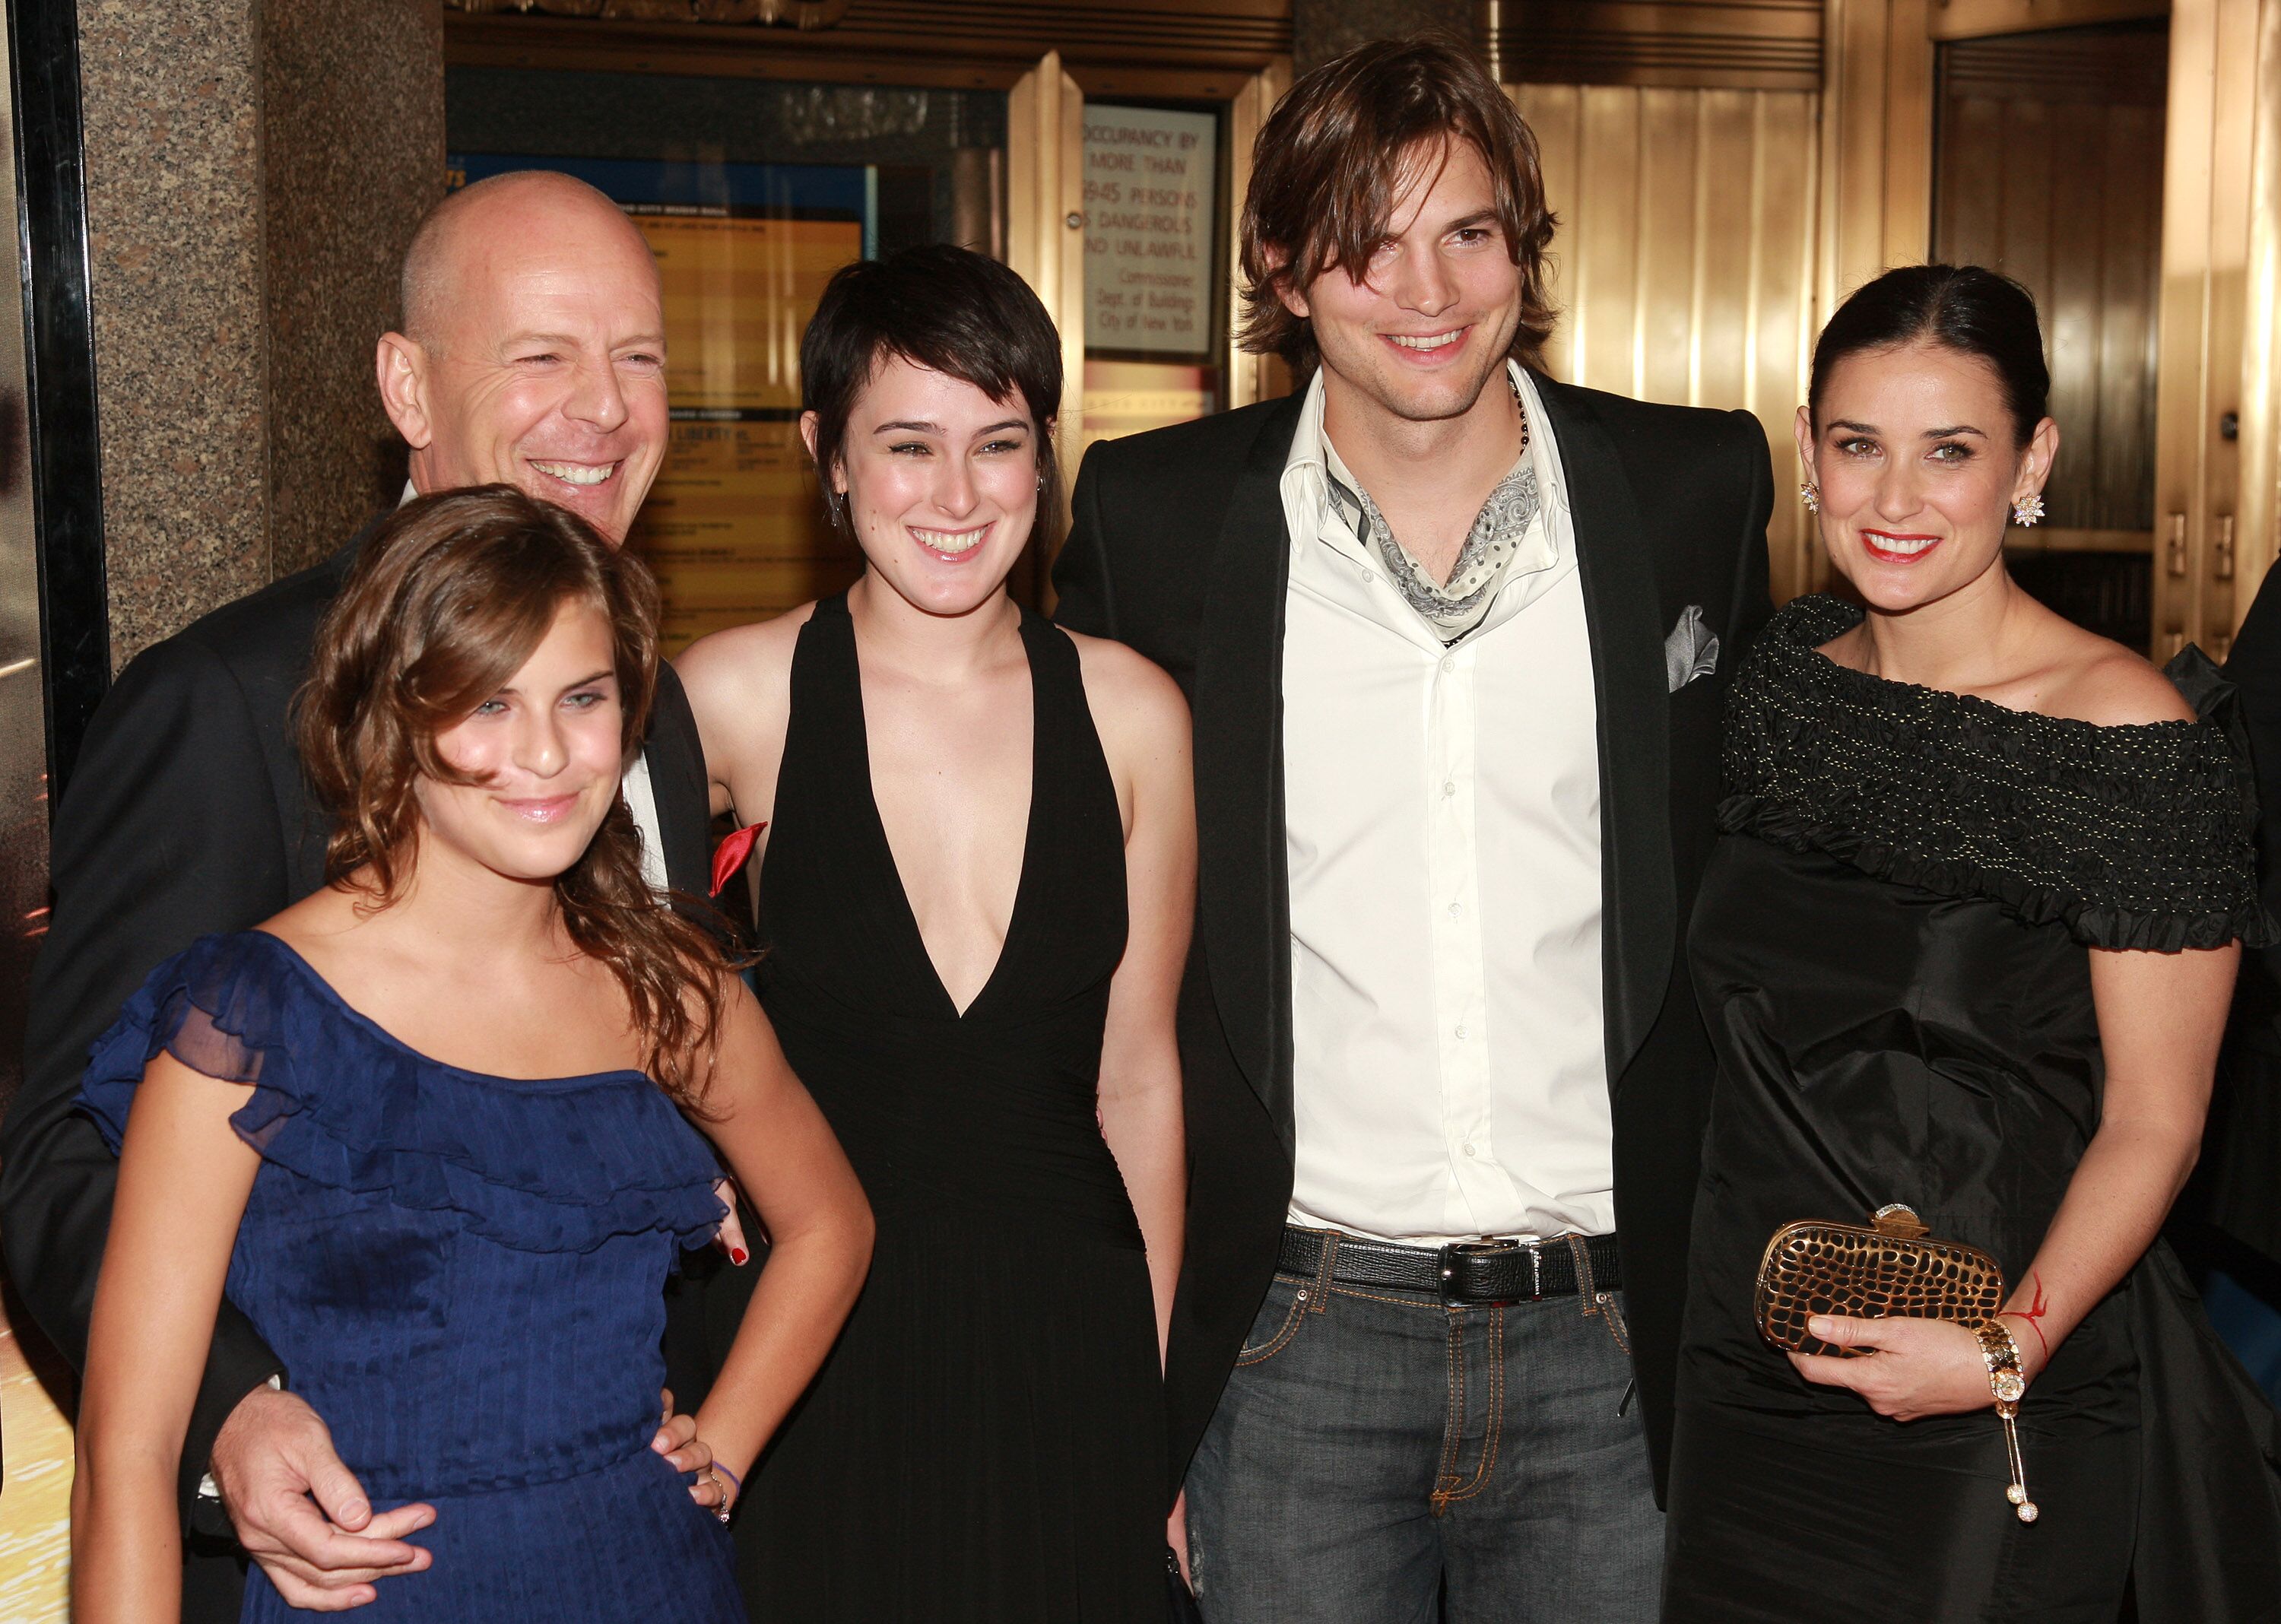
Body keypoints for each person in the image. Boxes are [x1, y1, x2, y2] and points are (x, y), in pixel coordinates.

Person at [1053, 35, 1772, 1622]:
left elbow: (1766, 871)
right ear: (1281, 266)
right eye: (1366, 243)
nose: (1426, 289)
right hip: (1293, 1332)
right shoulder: (1152, 523)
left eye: (1468, 233)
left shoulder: (1688, 489)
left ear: (1524, 245)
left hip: (1617, 1335)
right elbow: (1084, 932)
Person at [2, 170, 728, 1618]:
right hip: (357, 1542)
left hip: (621, 1516)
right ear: (408, 385)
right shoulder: (226, 701)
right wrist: (229, 1405)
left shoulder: (643, 700)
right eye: (543, 356)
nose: (604, 409)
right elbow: (60, 1155)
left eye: (638, 357)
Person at [68, 487, 873, 1623]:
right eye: (488, 703)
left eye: (584, 697)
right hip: (378, 1595)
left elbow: (832, 1224)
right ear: (392, 718)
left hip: (649, 1577)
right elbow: (129, 1455)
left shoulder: (668, 987)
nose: (546, 754)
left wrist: (725, 1445)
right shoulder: (250, 1013)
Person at [1661, 264, 2281, 1620]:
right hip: (1742, 1374)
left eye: (1950, 453)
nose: (1895, 500)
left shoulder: (2133, 745)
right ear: (1809, 451)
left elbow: (2159, 1122)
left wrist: (2005, 1349)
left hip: (1989, 1392)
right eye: (1857, 445)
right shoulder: (1779, 687)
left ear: (2032, 459)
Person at [672, 243, 1194, 1620]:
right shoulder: (734, 697)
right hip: (814, 1349)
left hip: (1066, 1335)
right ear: (827, 458)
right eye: (908, 446)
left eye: (999, 444)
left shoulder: (1135, 714)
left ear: (1044, 458)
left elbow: (1138, 1075)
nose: (957, 497)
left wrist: (1148, 1411)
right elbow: (587, 987)